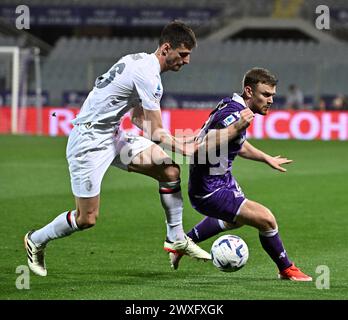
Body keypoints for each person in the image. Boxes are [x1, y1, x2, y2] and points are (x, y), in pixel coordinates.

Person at [24, 21, 211, 277]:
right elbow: (157, 131)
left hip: (113, 136)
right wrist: (185, 147)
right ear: (167, 48)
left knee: (169, 170)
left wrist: (175, 145)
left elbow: (136, 119)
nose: (187, 61)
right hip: (88, 142)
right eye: (183, 54)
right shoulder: (148, 74)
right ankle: (36, 239)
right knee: (86, 218)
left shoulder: (141, 63)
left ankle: (176, 238)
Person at [170, 68, 312, 281]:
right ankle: (286, 269)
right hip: (209, 190)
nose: (271, 100)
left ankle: (182, 243)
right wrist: (235, 127)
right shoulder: (233, 115)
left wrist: (266, 158)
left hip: (222, 181)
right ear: (249, 91)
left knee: (233, 222)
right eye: (265, 94)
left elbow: (237, 142)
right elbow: (204, 143)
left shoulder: (233, 105)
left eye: (272, 94)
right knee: (267, 220)